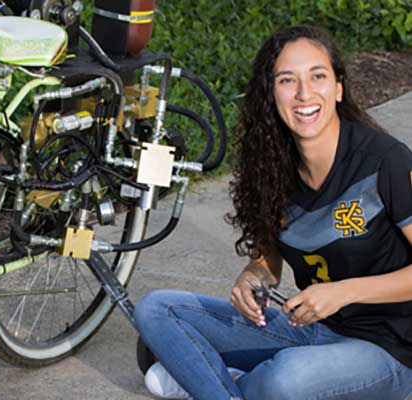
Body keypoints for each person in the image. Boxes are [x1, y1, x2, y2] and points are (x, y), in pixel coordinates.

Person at [134, 25, 412, 400]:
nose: (304, 93)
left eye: (318, 76)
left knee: (286, 379)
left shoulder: (384, 161)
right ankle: (231, 387)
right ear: (271, 91)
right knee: (157, 311)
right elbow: (268, 260)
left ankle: (213, 384)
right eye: (287, 80)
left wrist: (343, 293)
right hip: (313, 329)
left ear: (339, 87)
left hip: (392, 350)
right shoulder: (271, 168)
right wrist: (253, 280)